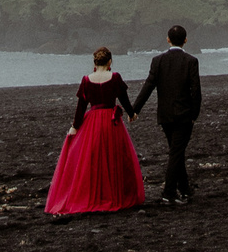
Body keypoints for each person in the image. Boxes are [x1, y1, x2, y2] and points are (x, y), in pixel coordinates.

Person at [43, 47, 147, 216]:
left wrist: (75, 127)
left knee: (91, 159)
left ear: (94, 62)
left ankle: (93, 194)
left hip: (92, 122)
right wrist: (131, 113)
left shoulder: (86, 80)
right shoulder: (115, 77)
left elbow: (81, 107)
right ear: (110, 62)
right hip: (110, 122)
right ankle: (112, 194)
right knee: (113, 158)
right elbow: (124, 99)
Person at [131, 24, 202, 203]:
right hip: (184, 115)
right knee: (176, 153)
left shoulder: (158, 61)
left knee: (176, 151)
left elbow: (148, 86)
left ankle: (184, 188)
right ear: (185, 40)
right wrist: (195, 114)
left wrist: (135, 109)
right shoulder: (191, 61)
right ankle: (169, 193)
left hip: (165, 115)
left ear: (168, 39)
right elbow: (196, 91)